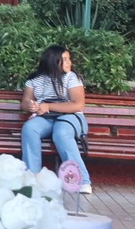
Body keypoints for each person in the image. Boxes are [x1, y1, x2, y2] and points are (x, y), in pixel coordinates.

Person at [21, 43, 92, 194]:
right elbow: (25, 102)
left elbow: (78, 105)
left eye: (69, 59)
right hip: (47, 118)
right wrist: (31, 106)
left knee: (61, 133)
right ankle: (32, 178)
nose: (69, 62)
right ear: (53, 61)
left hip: (71, 117)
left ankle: (82, 181)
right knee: (30, 128)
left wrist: (48, 106)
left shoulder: (71, 77)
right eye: (65, 59)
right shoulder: (35, 79)